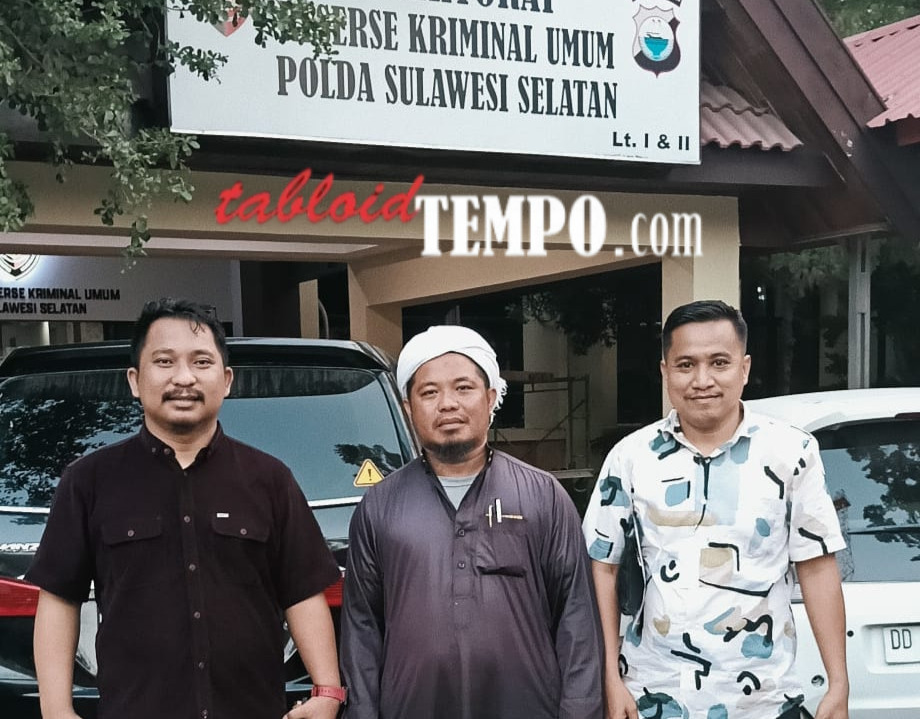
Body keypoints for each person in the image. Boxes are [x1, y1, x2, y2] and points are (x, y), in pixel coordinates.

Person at [27, 298, 345, 719]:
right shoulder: (88, 481)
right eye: (164, 361)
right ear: (135, 380)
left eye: (201, 362)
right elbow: (59, 599)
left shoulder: (270, 479)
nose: (183, 377)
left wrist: (327, 691)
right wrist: (56, 709)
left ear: (226, 380)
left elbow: (302, 592)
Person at [583, 300, 849, 719]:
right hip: (655, 697)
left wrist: (838, 682)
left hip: (764, 702)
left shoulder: (791, 453)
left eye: (719, 363)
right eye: (686, 365)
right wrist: (609, 680)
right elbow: (602, 568)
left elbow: (816, 566)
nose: (702, 380)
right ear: (665, 372)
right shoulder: (630, 458)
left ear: (744, 369)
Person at [339, 325, 603, 719]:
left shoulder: (543, 496)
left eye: (463, 388)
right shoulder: (379, 506)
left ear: (491, 397)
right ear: (408, 408)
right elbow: (361, 628)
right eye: (429, 393)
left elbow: (577, 619)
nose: (447, 404)